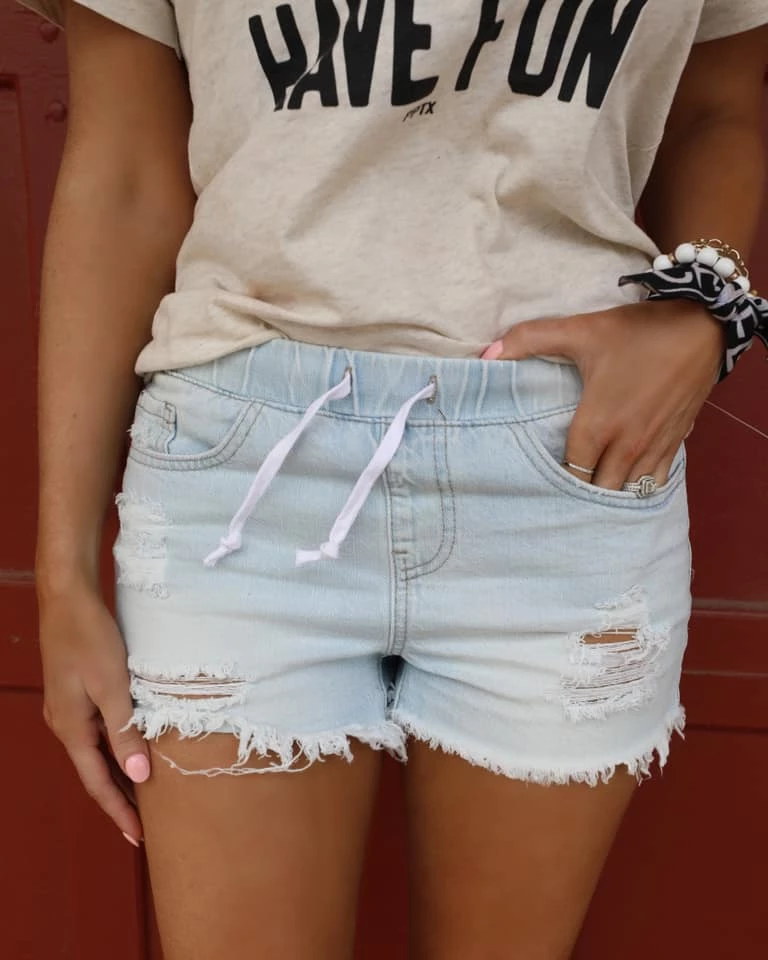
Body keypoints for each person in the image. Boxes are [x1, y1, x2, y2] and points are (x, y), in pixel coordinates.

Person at [23, 1, 768, 957]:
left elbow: (719, 101)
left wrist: (704, 314)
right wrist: (62, 577)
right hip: (240, 480)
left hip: (570, 465)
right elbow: (123, 169)